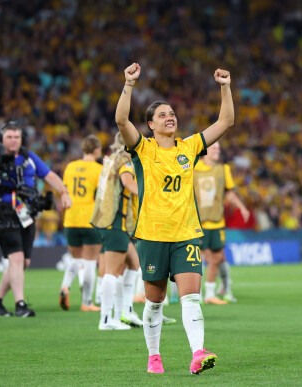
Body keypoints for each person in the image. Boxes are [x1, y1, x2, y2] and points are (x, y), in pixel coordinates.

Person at [116, 62, 234, 374]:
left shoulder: (190, 146)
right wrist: (128, 84)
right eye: (163, 115)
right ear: (151, 125)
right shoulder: (142, 149)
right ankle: (154, 357)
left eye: (172, 113)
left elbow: (226, 121)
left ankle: (198, 353)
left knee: (191, 298)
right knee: (154, 303)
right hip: (152, 235)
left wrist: (225, 86)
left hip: (187, 235)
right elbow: (120, 119)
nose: (171, 118)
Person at [0, 122, 72, 318]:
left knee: (23, 261)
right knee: (16, 258)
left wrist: (64, 192)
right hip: (4, 213)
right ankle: (20, 304)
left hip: (27, 213)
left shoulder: (29, 157)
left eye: (16, 137)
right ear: (2, 138)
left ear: (21, 139)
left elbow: (50, 175)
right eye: (9, 137)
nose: (13, 140)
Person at [91, 132, 142, 330]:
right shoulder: (124, 160)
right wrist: (149, 193)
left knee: (133, 262)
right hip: (114, 221)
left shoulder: (111, 159)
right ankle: (105, 319)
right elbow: (128, 182)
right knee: (112, 272)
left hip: (108, 219)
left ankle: (125, 311)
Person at [193, 141, 249, 304]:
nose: (218, 150)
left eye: (219, 147)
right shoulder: (193, 169)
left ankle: (210, 294)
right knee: (197, 259)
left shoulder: (223, 169)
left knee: (217, 257)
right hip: (199, 222)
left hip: (217, 222)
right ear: (206, 150)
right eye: (214, 147)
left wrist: (242, 207)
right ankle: (196, 294)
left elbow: (229, 193)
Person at [59, 134, 102, 312]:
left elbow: (65, 192)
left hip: (71, 219)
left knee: (75, 259)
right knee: (90, 262)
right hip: (89, 219)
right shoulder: (99, 169)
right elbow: (101, 196)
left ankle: (65, 286)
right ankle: (86, 302)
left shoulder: (70, 167)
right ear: (97, 150)